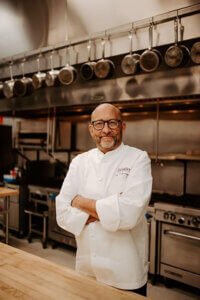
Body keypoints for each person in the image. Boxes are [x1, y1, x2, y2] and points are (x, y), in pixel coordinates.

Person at [56, 103, 152, 296]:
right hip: (87, 267)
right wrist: (111, 208)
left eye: (112, 123)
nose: (106, 129)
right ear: (91, 129)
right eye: (99, 124)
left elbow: (130, 214)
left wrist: (81, 202)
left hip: (126, 272)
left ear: (122, 127)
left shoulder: (138, 159)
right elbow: (62, 212)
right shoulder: (79, 162)